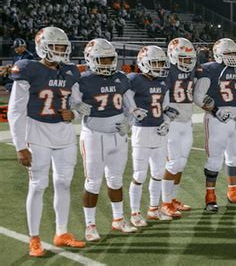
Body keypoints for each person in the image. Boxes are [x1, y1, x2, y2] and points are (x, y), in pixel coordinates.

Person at [8, 27, 85, 257]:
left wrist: (75, 114)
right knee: (38, 185)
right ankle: (34, 238)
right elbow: (16, 109)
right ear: (43, 47)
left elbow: (79, 103)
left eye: (63, 47)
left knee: (63, 183)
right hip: (37, 133)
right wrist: (20, 145)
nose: (61, 51)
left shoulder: (71, 71)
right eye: (56, 47)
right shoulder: (28, 68)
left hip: (64, 135)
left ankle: (61, 233)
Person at [72, 38, 147, 241]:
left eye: (109, 59)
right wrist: (76, 108)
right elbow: (75, 108)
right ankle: (90, 225)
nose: (107, 64)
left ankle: (118, 219)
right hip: (93, 136)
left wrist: (129, 123)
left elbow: (131, 107)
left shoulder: (121, 78)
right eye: (102, 59)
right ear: (91, 59)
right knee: (93, 182)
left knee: (115, 180)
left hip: (118, 135)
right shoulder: (82, 80)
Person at [194, 38, 236, 212]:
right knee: (214, 160)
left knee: (233, 157)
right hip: (217, 120)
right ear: (218, 54)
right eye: (228, 53)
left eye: (234, 53)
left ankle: (233, 191)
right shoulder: (210, 69)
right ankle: (210, 196)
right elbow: (198, 96)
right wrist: (215, 110)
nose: (232, 56)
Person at [128, 46, 180, 226]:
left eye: (161, 63)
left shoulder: (162, 83)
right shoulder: (134, 79)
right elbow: (126, 102)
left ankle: (153, 208)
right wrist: (130, 115)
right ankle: (135, 212)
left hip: (159, 131)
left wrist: (166, 121)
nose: (159, 67)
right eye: (155, 63)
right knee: (140, 174)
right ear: (143, 63)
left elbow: (165, 108)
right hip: (141, 131)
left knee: (158, 172)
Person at [161, 37, 197, 219]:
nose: (187, 62)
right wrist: (165, 112)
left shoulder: (190, 72)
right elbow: (159, 95)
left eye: (190, 58)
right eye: (183, 58)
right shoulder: (167, 71)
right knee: (173, 163)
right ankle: (165, 202)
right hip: (173, 123)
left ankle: (173, 199)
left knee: (181, 163)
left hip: (186, 121)